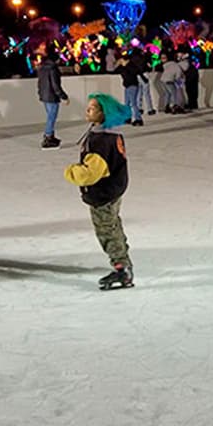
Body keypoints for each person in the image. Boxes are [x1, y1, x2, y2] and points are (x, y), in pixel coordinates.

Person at [63, 94, 134, 291]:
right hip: (113, 189)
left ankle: (122, 268)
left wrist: (71, 172)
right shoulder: (108, 134)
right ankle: (123, 261)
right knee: (112, 226)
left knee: (106, 231)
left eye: (93, 108)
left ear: (104, 113)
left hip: (103, 192)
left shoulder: (102, 141)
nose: (88, 110)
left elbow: (91, 174)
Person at [36, 47, 70, 150]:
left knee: (50, 116)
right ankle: (48, 137)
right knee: (51, 117)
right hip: (51, 96)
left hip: (44, 96)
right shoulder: (53, 69)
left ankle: (51, 136)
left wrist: (40, 93)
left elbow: (40, 83)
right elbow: (56, 85)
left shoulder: (42, 68)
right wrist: (64, 96)